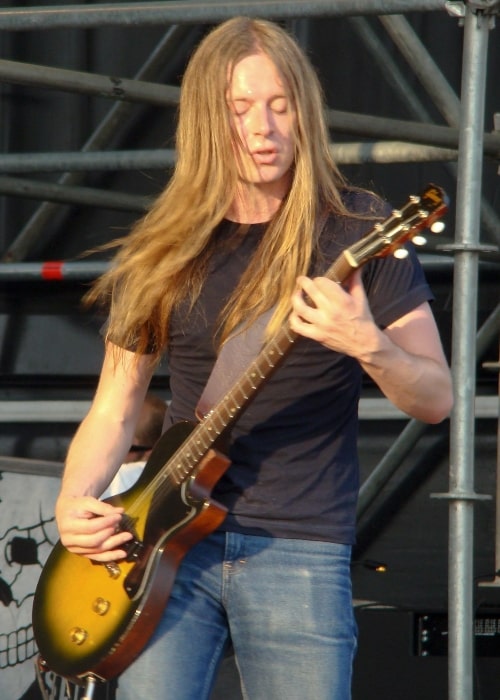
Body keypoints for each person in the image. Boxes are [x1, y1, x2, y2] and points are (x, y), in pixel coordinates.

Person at [54, 17, 453, 700]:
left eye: (280, 105)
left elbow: (435, 397)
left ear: (304, 111)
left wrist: (369, 345)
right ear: (210, 118)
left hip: (299, 549)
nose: (263, 128)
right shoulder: (166, 245)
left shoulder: (360, 228)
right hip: (161, 556)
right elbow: (115, 409)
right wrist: (72, 499)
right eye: (241, 109)